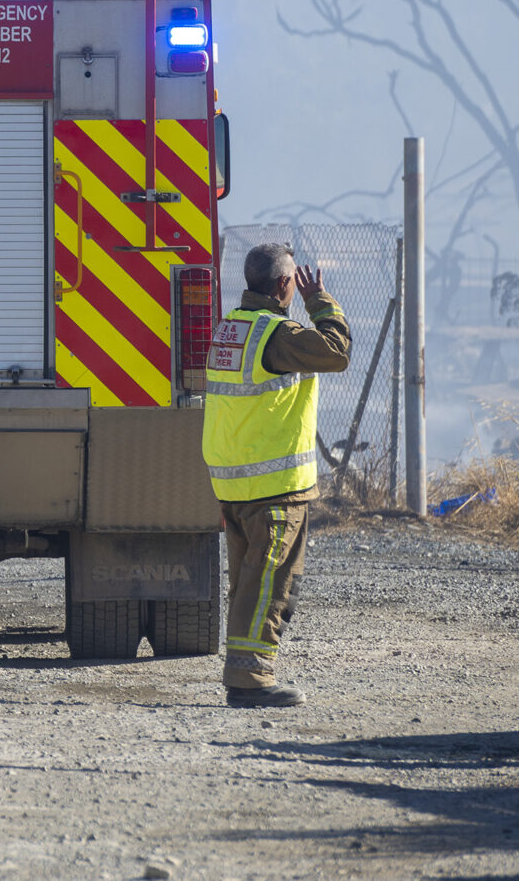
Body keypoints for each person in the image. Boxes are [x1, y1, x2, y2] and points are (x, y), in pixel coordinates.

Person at [202, 242, 350, 708]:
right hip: (274, 488)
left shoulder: (231, 330)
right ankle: (249, 681)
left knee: (249, 581)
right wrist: (321, 301)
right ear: (286, 284)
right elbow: (337, 351)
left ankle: (243, 672)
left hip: (234, 483)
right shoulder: (277, 335)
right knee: (269, 582)